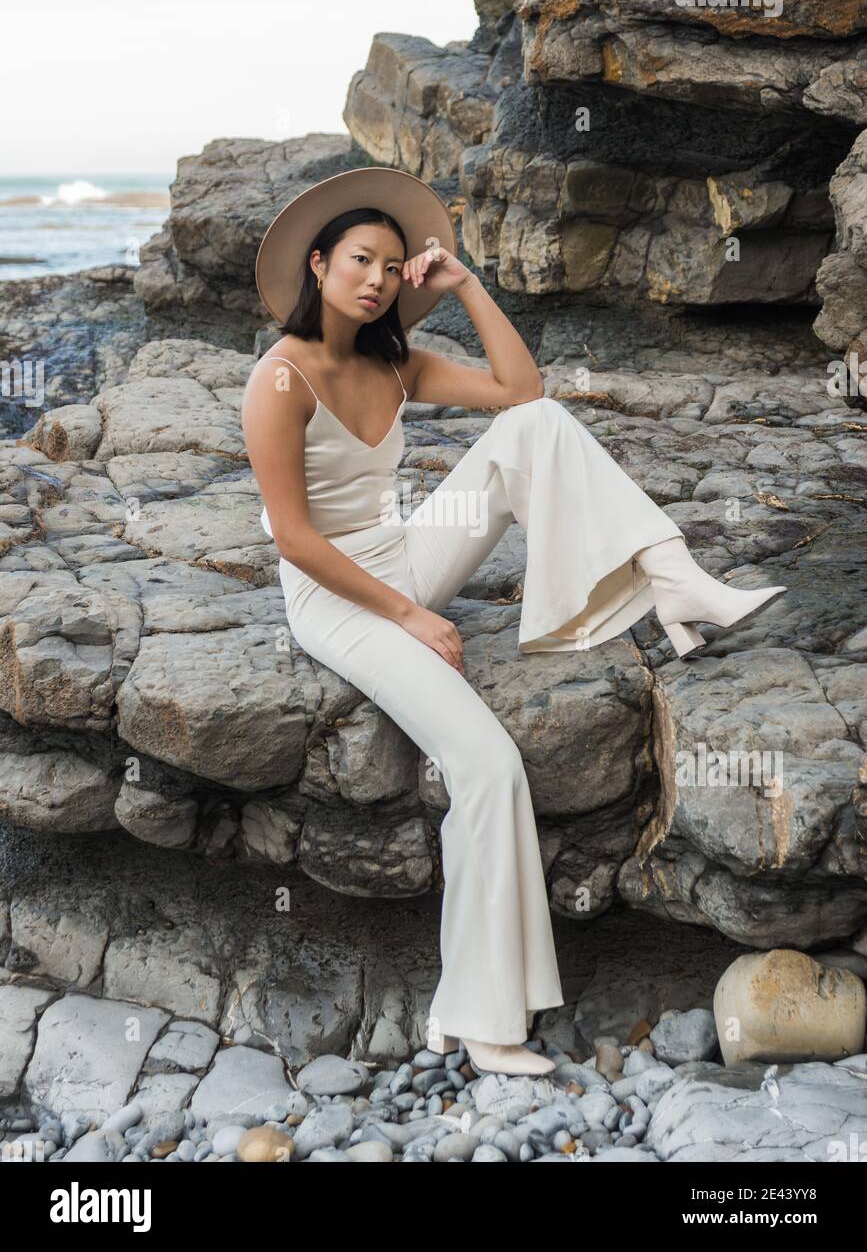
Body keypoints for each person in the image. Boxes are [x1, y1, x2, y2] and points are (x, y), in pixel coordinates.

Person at [241, 167, 786, 1077]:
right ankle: (480, 1019)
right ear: (319, 263)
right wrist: (410, 616)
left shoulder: (394, 360)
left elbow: (523, 392)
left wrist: (465, 286)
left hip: (406, 551)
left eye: (389, 263)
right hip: (336, 597)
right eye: (358, 260)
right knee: (487, 765)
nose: (375, 278)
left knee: (537, 432)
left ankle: (673, 575)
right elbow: (294, 539)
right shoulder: (280, 379)